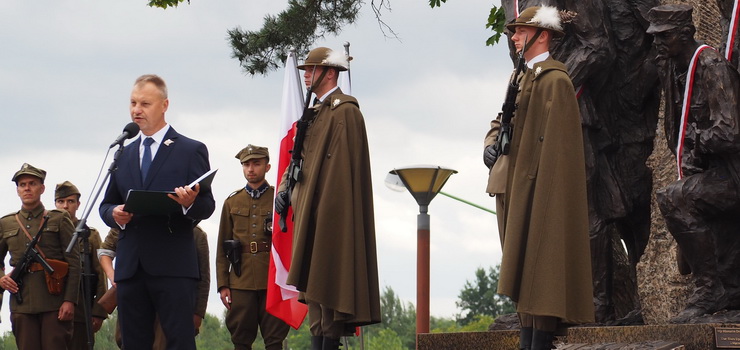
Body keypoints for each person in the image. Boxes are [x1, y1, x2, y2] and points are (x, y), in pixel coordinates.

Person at [483, 6, 594, 349]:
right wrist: (490, 143)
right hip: (511, 184)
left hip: (534, 187)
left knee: (539, 267)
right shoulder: (521, 76)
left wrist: (537, 189)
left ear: (541, 35)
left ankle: (538, 337)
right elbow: (501, 120)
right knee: (521, 268)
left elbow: (556, 153)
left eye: (520, 31)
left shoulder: (555, 80)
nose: (514, 37)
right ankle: (529, 333)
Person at [274, 46, 380, 350]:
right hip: (310, 211)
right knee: (318, 305)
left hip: (330, 219)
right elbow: (299, 160)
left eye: (311, 70)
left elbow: (341, 179)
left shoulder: (344, 111)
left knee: (329, 295)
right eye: (305, 70)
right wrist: (285, 190)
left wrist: (322, 215)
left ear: (329, 73)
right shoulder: (316, 112)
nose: (306, 76)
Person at [99, 74, 215, 349]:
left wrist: (188, 202)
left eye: (145, 104)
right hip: (131, 267)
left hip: (173, 265)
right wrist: (114, 212)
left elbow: (207, 205)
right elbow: (105, 205)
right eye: (133, 103)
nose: (136, 110)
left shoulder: (190, 150)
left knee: (178, 341)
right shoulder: (123, 154)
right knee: (133, 342)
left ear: (164, 105)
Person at [649, 4, 740, 323]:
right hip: (712, 172)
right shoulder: (674, 68)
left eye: (664, 36)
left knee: (674, 198)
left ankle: (709, 288)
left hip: (733, 175)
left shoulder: (711, 65)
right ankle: (723, 286)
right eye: (655, 37)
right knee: (678, 196)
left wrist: (696, 138)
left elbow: (729, 132)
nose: (658, 43)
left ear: (684, 34)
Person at [0, 163, 81, 349]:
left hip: (54, 301)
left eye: (32, 183)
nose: (27, 188)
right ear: (17, 190)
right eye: (22, 185)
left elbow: (74, 263)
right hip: (22, 303)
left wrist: (69, 300)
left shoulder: (59, 218)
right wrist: (1, 279)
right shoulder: (6, 223)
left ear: (42, 188)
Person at [217, 145, 290, 350]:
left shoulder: (281, 198)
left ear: (267, 167)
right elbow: (223, 246)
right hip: (241, 280)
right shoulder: (232, 202)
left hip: (273, 277)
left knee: (275, 338)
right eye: (246, 164)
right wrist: (223, 284)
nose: (251, 169)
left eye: (256, 164)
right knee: (240, 338)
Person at [97, 225, 210, 349]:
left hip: (174, 304)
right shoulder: (129, 221)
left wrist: (198, 313)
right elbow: (105, 251)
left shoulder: (195, 233)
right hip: (136, 299)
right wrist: (114, 277)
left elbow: (203, 279)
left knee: (165, 345)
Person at [54, 181, 108, 349]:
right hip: (52, 306)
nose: (65, 206)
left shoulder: (89, 235)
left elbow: (101, 276)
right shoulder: (47, 233)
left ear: (78, 204)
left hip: (81, 310)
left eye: (70, 202)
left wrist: (98, 312)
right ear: (55, 204)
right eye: (61, 201)